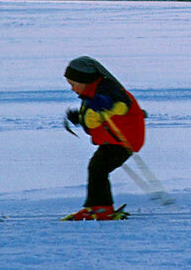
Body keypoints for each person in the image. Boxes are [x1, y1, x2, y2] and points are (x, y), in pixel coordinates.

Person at [61, 56, 146, 221]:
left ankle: (102, 208)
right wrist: (79, 117)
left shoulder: (107, 88)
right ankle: (95, 207)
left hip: (123, 141)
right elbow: (94, 117)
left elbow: (122, 105)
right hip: (112, 140)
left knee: (98, 169)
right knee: (96, 169)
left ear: (84, 80)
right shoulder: (92, 92)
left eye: (73, 84)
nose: (72, 89)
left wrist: (106, 103)